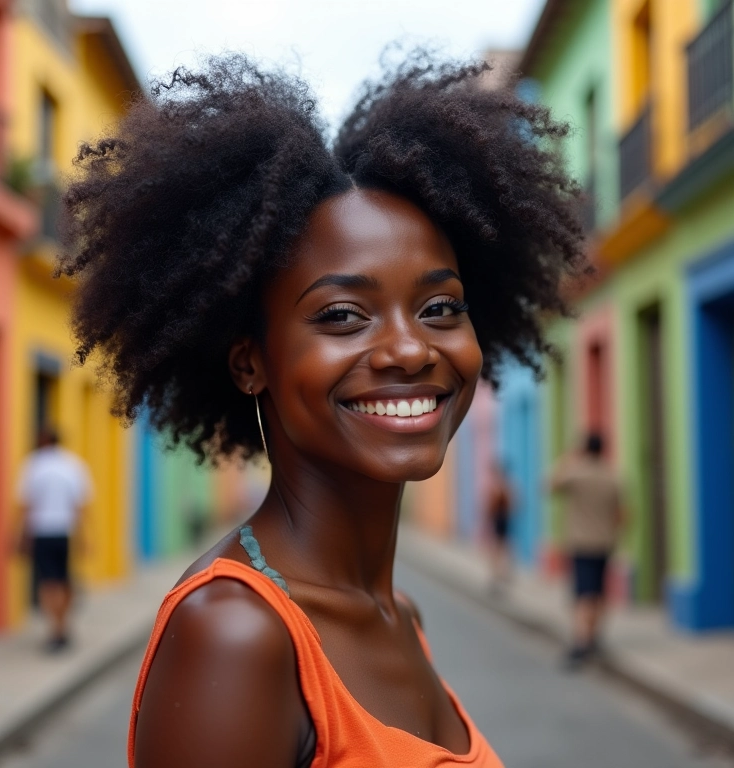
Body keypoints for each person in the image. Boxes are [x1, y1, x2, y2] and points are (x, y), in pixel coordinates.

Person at [58, 53, 588, 768]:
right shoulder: (236, 636)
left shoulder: (402, 616)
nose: (409, 349)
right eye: (342, 315)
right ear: (251, 362)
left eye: (439, 308)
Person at [549, 433, 626, 669]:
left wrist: (569, 458)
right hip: (604, 542)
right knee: (599, 591)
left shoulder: (578, 474)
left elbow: (550, 484)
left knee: (583, 593)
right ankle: (595, 637)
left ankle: (582, 643)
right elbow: (621, 513)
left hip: (581, 543)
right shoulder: (611, 476)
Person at [17, 427, 92, 652]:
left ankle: (57, 630)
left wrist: (21, 536)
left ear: (41, 441)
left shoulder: (34, 465)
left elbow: (26, 506)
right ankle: (63, 626)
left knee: (49, 584)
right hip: (65, 532)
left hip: (42, 532)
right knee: (64, 580)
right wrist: (84, 537)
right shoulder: (73, 465)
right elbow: (80, 506)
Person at [485, 461, 514, 591]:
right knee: (500, 547)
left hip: (500, 520)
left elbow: (492, 507)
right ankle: (500, 573)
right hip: (502, 520)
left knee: (498, 548)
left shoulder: (499, 487)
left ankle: (499, 574)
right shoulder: (506, 486)